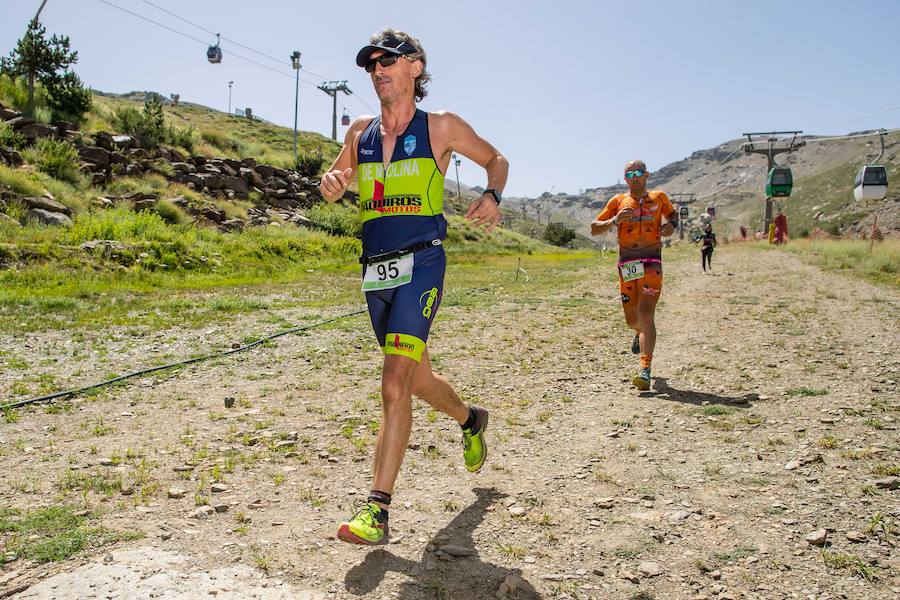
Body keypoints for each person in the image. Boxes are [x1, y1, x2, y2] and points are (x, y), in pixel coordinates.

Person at [318, 28, 508, 546]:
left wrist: (492, 194)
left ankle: (376, 510)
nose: (378, 71)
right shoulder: (360, 131)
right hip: (375, 270)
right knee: (417, 380)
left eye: (388, 62)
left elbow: (497, 159)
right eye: (371, 65)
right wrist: (333, 184)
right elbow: (334, 182)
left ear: (414, 68)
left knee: (393, 383)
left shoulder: (441, 127)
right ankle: (471, 420)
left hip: (423, 263)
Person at [590, 160, 678, 390]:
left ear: (646, 175)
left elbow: (673, 216)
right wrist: (614, 220)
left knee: (646, 312)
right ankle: (639, 333)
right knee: (632, 319)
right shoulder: (618, 201)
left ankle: (645, 370)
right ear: (625, 178)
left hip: (652, 263)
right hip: (628, 264)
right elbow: (594, 226)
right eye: (630, 173)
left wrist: (672, 226)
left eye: (639, 172)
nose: (635, 176)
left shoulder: (659, 198)